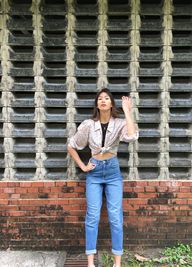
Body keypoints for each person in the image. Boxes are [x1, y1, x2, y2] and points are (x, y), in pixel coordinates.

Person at [67, 88, 139, 267]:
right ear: (97, 104)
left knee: (115, 217)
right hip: (94, 172)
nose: (103, 101)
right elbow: (72, 145)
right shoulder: (88, 125)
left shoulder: (120, 123)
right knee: (92, 216)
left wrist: (128, 111)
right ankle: (90, 262)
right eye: (100, 99)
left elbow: (132, 136)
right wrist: (83, 166)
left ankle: (117, 262)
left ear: (112, 103)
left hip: (113, 172)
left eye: (107, 98)